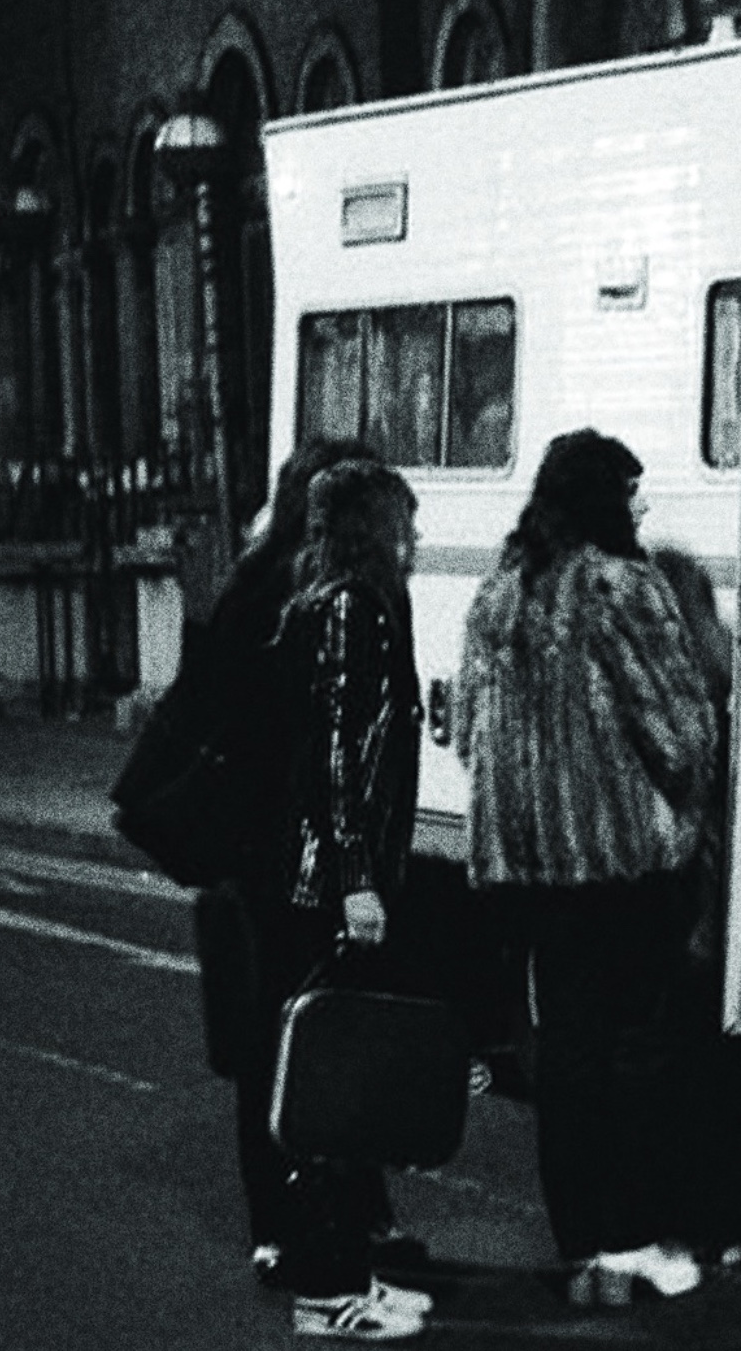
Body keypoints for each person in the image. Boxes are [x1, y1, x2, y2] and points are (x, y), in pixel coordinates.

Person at [114, 437, 429, 1294]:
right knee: (330, 1033)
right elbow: (331, 745)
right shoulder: (335, 597)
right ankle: (341, 1219)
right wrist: (358, 868)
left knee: (278, 1039)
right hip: (301, 853)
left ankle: (288, 1221)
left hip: (248, 850)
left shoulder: (259, 586)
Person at [455, 429, 720, 1306]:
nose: (643, 508)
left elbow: (472, 738)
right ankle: (634, 1234)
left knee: (564, 1052)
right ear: (606, 497)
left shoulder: (498, 595)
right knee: (637, 1047)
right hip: (621, 863)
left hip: (531, 871)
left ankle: (582, 1244)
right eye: (633, 491)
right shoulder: (621, 587)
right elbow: (677, 730)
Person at [262, 459, 432, 1340]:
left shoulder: (326, 604)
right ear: (376, 527)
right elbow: (334, 755)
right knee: (335, 1092)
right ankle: (331, 1292)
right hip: (330, 883)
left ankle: (348, 1273)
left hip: (322, 876)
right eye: (407, 519)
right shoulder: (349, 611)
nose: (417, 536)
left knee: (341, 1083)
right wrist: (355, 876)